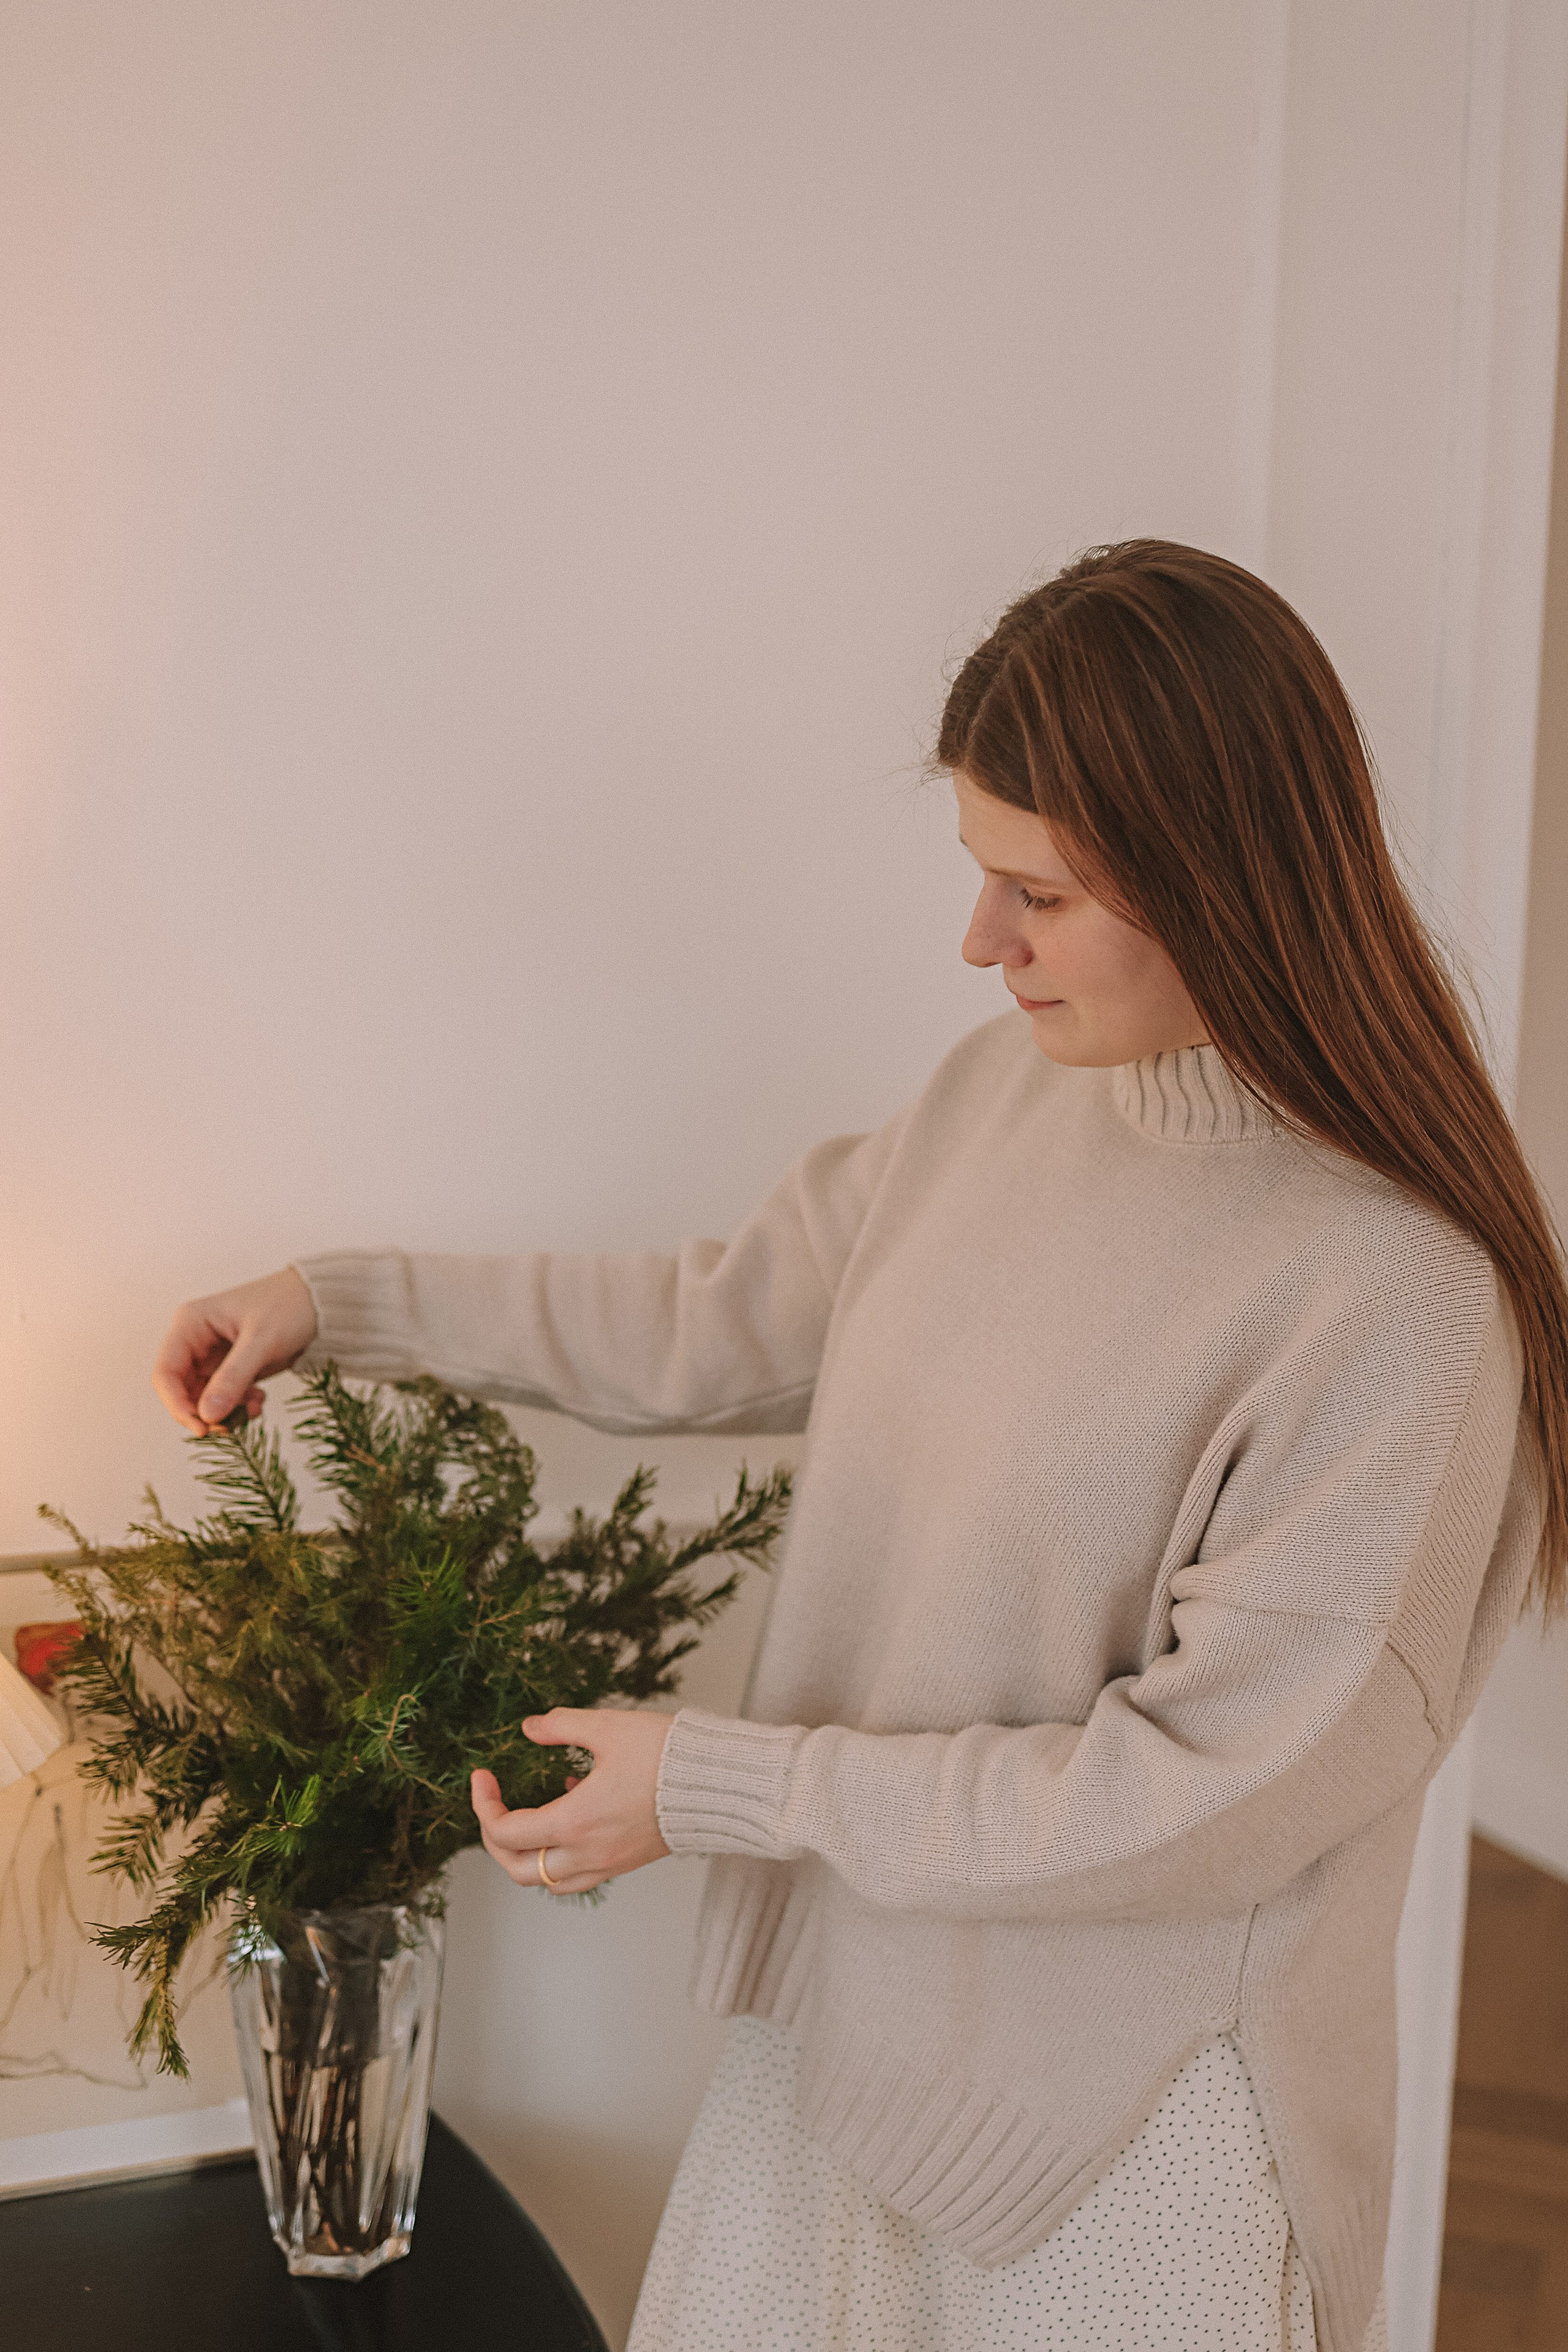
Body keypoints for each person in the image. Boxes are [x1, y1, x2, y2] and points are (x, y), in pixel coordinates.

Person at [153, 541, 1567, 2352]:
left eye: (1035, 893)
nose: (981, 945)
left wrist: (725, 1786)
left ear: (1220, 882)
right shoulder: (999, 1100)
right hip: (846, 2045)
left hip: (1127, 2152)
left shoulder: (1400, 1302)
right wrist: (343, 1302)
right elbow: (706, 1318)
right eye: (982, 877)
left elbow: (1192, 1800)